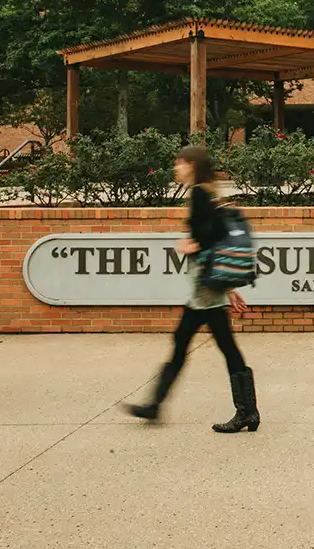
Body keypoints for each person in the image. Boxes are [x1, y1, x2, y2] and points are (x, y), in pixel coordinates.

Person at [123, 146, 260, 434]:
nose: (176, 167)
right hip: (210, 287)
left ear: (192, 165)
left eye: (180, 163)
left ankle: (156, 406)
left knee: (187, 343)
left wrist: (190, 245)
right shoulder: (209, 192)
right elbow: (220, 238)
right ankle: (246, 412)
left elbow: (209, 236)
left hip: (204, 291)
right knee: (220, 346)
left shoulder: (199, 193)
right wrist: (229, 287)